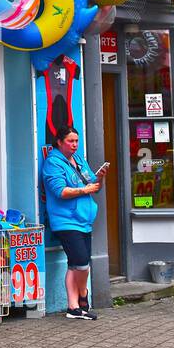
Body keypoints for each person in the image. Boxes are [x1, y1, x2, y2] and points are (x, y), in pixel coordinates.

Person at [41, 125, 107, 320]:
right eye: (70, 141)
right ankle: (83, 296)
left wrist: (100, 179)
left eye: (76, 141)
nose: (74, 145)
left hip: (84, 219)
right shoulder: (52, 163)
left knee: (74, 265)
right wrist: (84, 190)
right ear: (60, 142)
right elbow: (59, 191)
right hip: (66, 220)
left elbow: (93, 185)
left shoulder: (78, 159)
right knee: (82, 263)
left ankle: (73, 307)